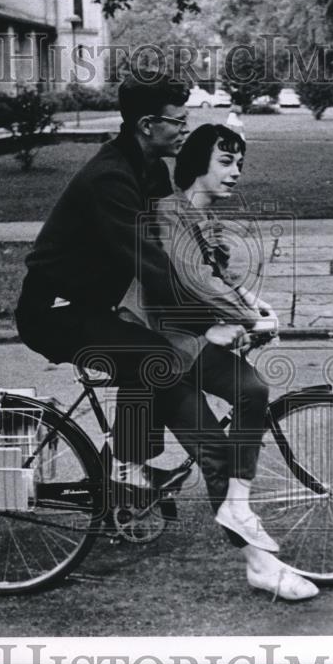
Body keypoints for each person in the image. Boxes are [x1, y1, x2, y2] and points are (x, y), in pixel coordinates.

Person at [117, 123, 320, 601]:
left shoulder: (201, 219)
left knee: (251, 390)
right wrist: (247, 317)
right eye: (225, 162)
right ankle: (260, 566)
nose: (236, 173)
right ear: (197, 166)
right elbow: (192, 282)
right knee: (213, 451)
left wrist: (252, 304)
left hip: (187, 345)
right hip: (156, 352)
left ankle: (237, 502)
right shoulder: (168, 212)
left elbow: (218, 275)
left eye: (240, 164)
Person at [15, 75, 217, 489]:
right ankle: (126, 470)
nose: (185, 129)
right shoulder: (111, 178)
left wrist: (219, 278)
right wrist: (210, 318)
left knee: (155, 352)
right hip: (53, 311)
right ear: (147, 125)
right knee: (148, 356)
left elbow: (175, 238)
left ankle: (126, 468)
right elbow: (150, 263)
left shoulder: (151, 169)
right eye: (178, 121)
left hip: (97, 302)